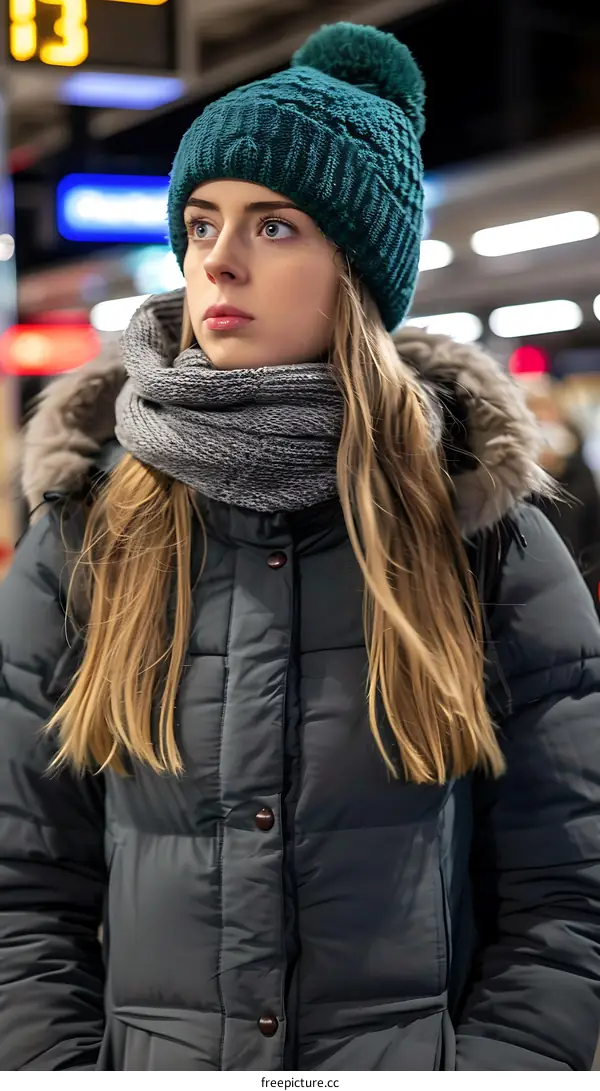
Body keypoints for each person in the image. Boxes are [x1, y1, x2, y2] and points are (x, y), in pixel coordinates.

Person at [1, 21, 600, 1073]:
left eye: (274, 227)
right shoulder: (88, 526)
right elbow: (20, 884)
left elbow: (574, 892)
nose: (216, 260)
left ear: (356, 269)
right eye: (201, 221)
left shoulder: (482, 532)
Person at [526, 385, 600, 616]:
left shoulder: (579, 471)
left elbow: (593, 527)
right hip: (536, 588)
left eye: (547, 412)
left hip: (582, 581)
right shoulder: (517, 479)